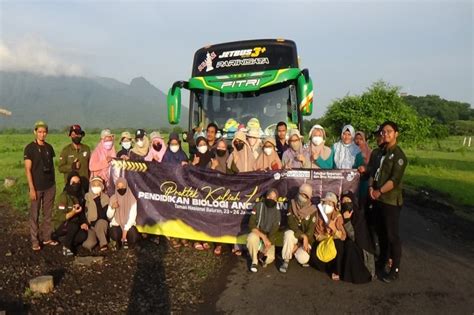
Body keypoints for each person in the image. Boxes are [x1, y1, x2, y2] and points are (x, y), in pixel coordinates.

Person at [369, 121, 407, 283]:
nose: (385, 134)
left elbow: (394, 180)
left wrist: (379, 191)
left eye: (389, 131)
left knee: (392, 235)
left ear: (396, 133)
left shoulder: (399, 156)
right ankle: (382, 261)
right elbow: (373, 171)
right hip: (377, 198)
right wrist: (371, 188)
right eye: (383, 132)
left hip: (390, 200)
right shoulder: (380, 152)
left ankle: (394, 269)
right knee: (381, 233)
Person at [24, 121, 58, 251]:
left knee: (48, 214)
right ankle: (34, 241)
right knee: (34, 214)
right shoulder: (30, 148)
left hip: (50, 185)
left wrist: (53, 184)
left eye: (44, 132)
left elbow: (51, 166)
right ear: (35, 132)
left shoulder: (49, 147)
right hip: (36, 187)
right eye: (39, 132)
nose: (42, 134)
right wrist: (31, 188)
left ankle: (47, 238)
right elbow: (28, 169)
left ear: (47, 133)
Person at [280, 183, 317, 273]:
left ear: (309, 198)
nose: (303, 197)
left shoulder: (312, 209)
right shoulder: (292, 204)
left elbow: (311, 229)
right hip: (295, 234)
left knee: (303, 258)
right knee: (288, 234)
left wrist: (304, 239)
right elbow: (291, 223)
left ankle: (294, 250)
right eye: (301, 194)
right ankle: (286, 260)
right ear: (298, 193)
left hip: (306, 239)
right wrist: (302, 236)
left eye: (306, 196)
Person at [340, 191, 375, 283]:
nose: (345, 203)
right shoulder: (340, 213)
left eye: (348, 200)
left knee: (350, 245)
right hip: (350, 244)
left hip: (362, 249)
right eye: (343, 201)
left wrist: (347, 220)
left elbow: (355, 237)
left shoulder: (358, 216)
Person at [312, 192, 346, 281]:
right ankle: (326, 267)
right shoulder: (319, 215)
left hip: (334, 240)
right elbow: (316, 233)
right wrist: (324, 237)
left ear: (334, 205)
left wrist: (334, 229)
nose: (328, 205)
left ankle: (336, 270)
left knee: (339, 246)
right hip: (323, 240)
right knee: (314, 254)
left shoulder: (337, 216)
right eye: (326, 202)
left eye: (330, 203)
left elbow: (343, 236)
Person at [53, 171, 88, 256]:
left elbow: (82, 213)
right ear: (69, 183)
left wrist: (83, 222)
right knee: (73, 225)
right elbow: (60, 216)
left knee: (83, 235)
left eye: (78, 182)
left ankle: (66, 240)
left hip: (75, 224)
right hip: (62, 224)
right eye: (73, 182)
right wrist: (73, 212)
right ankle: (66, 246)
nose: (76, 185)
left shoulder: (81, 195)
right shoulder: (64, 196)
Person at [247, 188, 280, 273]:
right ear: (266, 196)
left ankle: (259, 255)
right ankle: (254, 261)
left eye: (274, 198)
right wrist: (263, 237)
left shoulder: (277, 211)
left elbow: (274, 231)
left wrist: (268, 245)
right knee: (251, 237)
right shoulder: (258, 206)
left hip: (268, 238)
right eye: (269, 196)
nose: (271, 199)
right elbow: (251, 224)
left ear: (276, 199)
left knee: (269, 258)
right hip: (258, 234)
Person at [107, 178, 141, 249]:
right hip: (116, 224)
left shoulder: (132, 199)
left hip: (128, 225)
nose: (120, 189)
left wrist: (125, 230)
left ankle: (129, 243)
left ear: (126, 187)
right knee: (115, 234)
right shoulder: (113, 198)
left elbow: (132, 217)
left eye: (122, 187)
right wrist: (112, 208)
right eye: (118, 187)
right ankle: (117, 243)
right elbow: (109, 216)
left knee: (134, 235)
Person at [58, 124, 91, 192]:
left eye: (78, 134)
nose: (76, 136)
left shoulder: (86, 149)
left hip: (85, 184)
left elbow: (90, 166)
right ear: (70, 136)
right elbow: (60, 168)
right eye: (73, 134)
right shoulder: (66, 150)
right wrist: (71, 166)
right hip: (71, 185)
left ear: (81, 135)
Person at [82, 177, 110, 251]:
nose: (96, 187)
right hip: (90, 226)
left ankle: (103, 244)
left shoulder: (105, 198)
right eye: (94, 185)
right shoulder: (86, 197)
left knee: (101, 223)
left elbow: (103, 215)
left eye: (98, 185)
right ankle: (96, 239)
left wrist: (97, 200)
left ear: (101, 186)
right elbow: (83, 212)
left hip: (100, 223)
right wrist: (85, 223)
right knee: (88, 244)